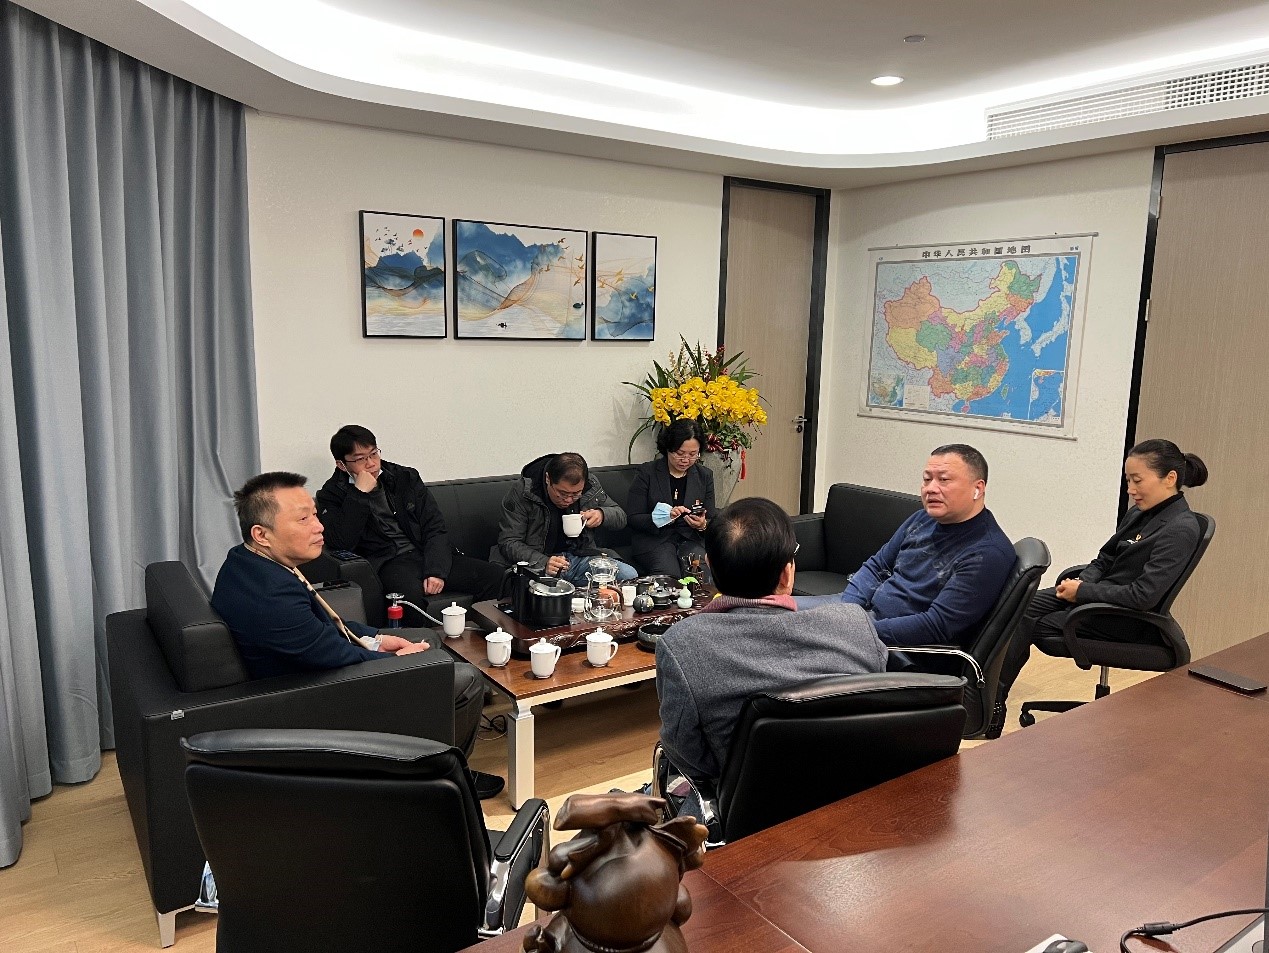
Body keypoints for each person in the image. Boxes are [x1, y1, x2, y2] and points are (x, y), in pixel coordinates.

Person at [211, 471, 504, 799]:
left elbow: (324, 625)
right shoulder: (269, 594)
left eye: (315, 515)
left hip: (318, 669)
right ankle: (446, 779)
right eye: (304, 519)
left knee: (428, 637)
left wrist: (377, 637)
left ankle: (432, 749)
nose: (319, 527)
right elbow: (331, 657)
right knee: (466, 680)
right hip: (314, 696)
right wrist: (392, 659)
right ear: (261, 534)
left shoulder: (249, 561)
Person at [656, 497, 886, 789]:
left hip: (748, 806)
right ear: (787, 574)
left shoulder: (682, 645)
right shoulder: (856, 625)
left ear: (710, 567)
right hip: (854, 794)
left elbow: (686, 754)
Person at [991, 439, 1209, 734]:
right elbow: (1106, 557)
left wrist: (1082, 592)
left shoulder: (1180, 529)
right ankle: (987, 698)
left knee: (1033, 623)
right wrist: (1084, 581)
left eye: (1137, 480)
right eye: (1128, 480)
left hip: (1124, 617)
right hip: (1100, 596)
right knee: (1018, 604)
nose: (1130, 489)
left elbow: (1143, 596)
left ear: (1169, 479)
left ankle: (992, 705)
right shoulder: (1139, 513)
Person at [316, 425, 504, 624]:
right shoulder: (331, 494)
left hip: (425, 552)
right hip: (389, 562)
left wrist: (436, 570)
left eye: (373, 454)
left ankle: (488, 635)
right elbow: (341, 541)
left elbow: (434, 526)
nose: (371, 463)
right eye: (360, 459)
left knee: (497, 577)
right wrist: (359, 495)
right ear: (342, 465)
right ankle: (423, 643)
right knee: (407, 600)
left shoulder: (404, 477)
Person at [835, 444, 1015, 647]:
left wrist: (854, 630)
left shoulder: (987, 553)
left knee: (807, 637)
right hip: (861, 615)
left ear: (978, 489)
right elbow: (877, 565)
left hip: (895, 645)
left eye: (944, 480)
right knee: (802, 618)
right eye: (927, 479)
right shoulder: (922, 518)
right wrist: (847, 611)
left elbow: (936, 625)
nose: (931, 488)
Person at [495, 451, 638, 585]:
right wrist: (543, 561)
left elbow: (621, 517)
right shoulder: (524, 492)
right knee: (539, 589)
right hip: (540, 562)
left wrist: (602, 514)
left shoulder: (590, 486)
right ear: (548, 479)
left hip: (580, 557)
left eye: (576, 494)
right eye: (562, 493)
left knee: (628, 575)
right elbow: (509, 542)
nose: (569, 500)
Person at [627, 418, 716, 578]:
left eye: (693, 454)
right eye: (680, 453)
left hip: (690, 538)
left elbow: (711, 517)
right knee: (669, 576)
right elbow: (633, 518)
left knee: (700, 574)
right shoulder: (647, 473)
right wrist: (663, 518)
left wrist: (702, 525)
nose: (685, 460)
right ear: (668, 448)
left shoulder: (704, 476)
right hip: (655, 540)